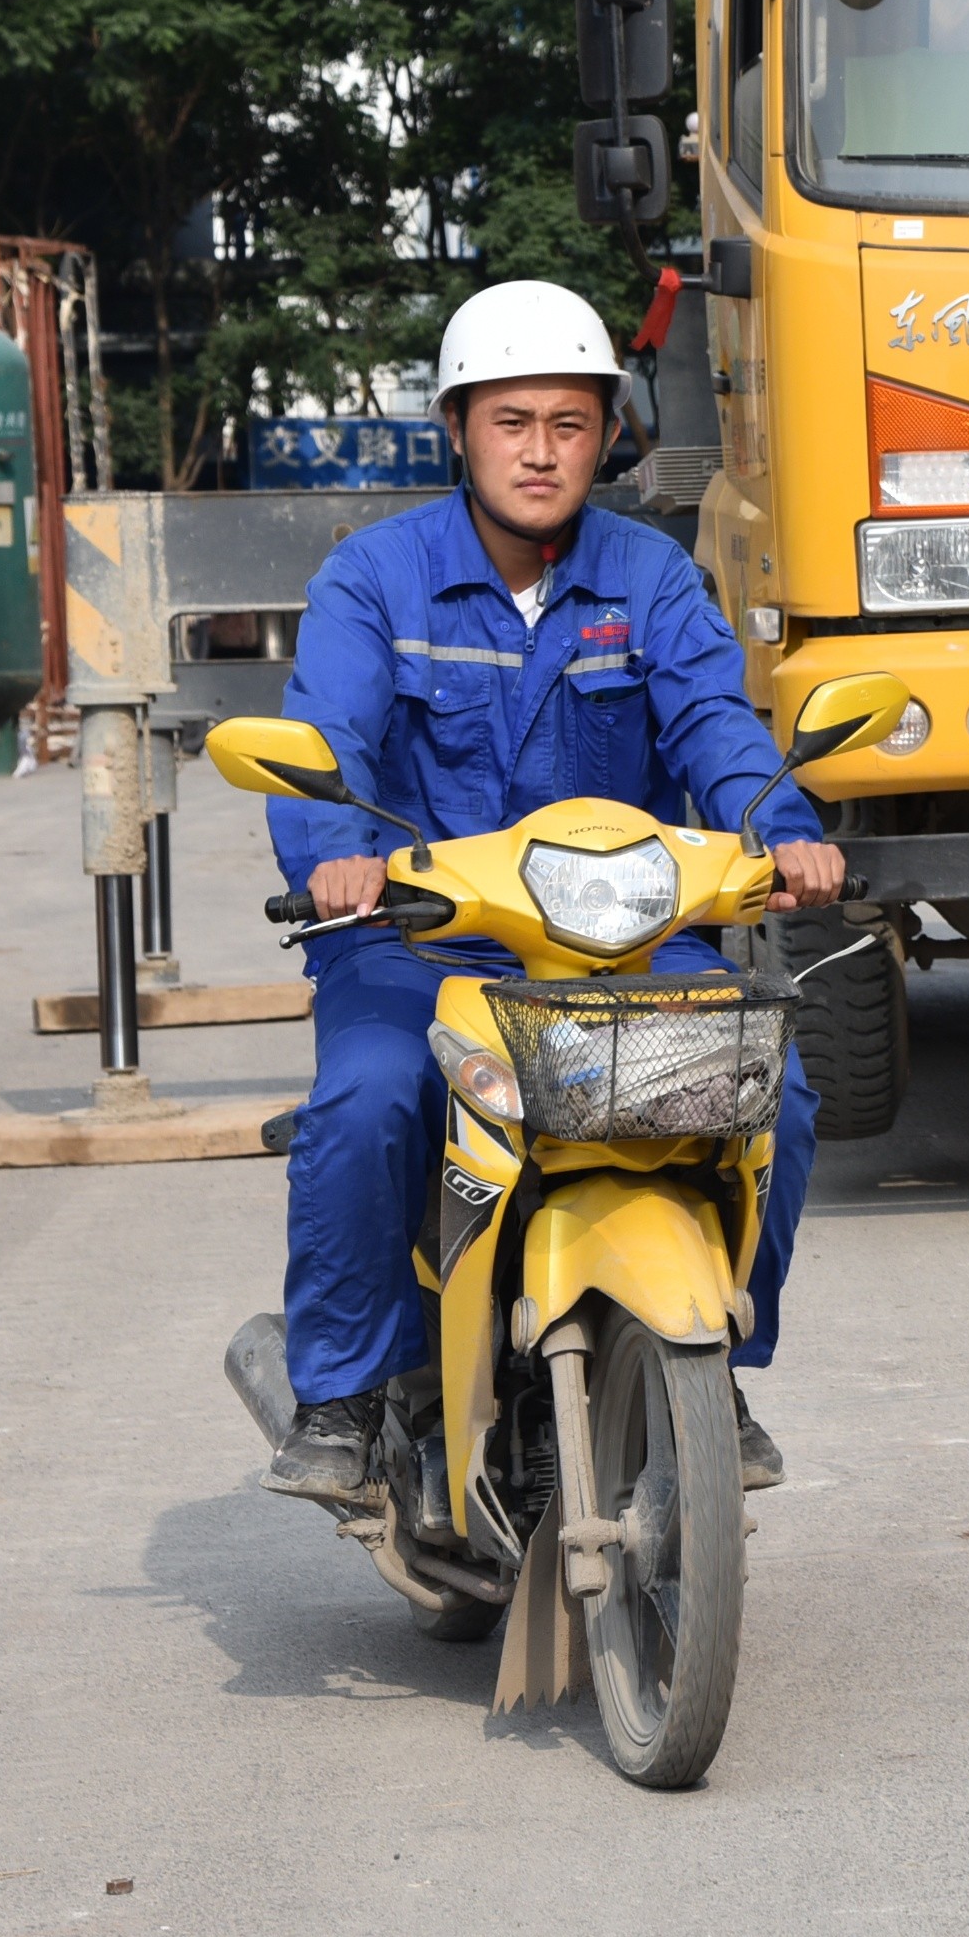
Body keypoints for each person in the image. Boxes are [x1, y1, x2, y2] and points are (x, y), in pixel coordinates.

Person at [257, 279, 846, 1502]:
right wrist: (331, 851)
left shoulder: (653, 578)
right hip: (418, 944)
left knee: (772, 1097)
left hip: (621, 946)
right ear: (459, 429)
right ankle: (349, 1393)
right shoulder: (375, 579)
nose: (540, 450)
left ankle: (713, 1351)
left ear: (608, 433)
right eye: (511, 420)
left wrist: (782, 831)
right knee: (366, 1102)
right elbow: (327, 737)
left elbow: (718, 729)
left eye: (568, 423)